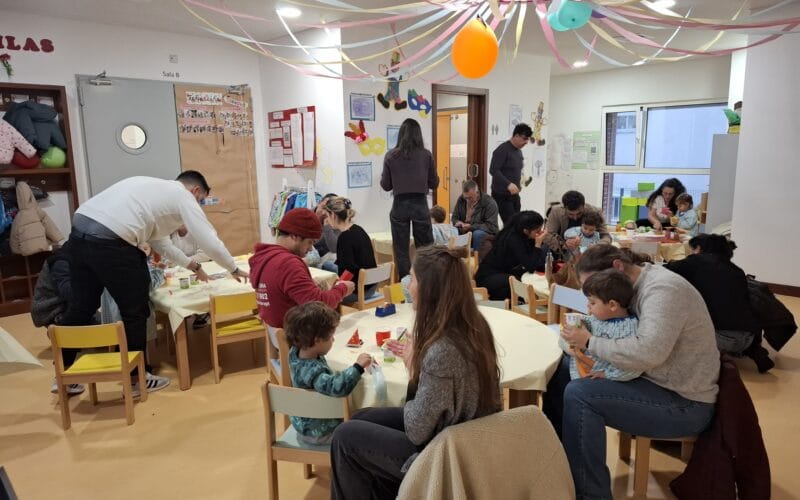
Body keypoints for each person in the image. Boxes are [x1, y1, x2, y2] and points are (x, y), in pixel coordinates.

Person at [543, 244, 719, 500]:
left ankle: (591, 494)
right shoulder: (624, 291)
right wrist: (574, 343)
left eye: (594, 288)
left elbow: (648, 353)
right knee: (561, 369)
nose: (591, 299)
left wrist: (589, 343)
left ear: (617, 267)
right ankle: (558, 460)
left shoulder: (662, 291)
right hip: (647, 378)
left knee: (580, 395)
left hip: (684, 401)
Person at [330, 246, 502, 499]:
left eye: (413, 278)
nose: (408, 286)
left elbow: (416, 430)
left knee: (345, 436)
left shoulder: (442, 349)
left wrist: (414, 368)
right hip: (464, 436)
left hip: (447, 455)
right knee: (362, 416)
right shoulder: (474, 323)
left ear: (429, 289)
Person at [61, 171, 249, 395]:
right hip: (112, 242)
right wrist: (234, 268)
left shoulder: (151, 191)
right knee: (136, 311)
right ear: (195, 191)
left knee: (83, 305)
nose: (198, 206)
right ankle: (136, 380)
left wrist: (194, 267)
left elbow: (163, 245)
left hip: (80, 231)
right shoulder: (183, 197)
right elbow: (209, 240)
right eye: (200, 202)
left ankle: (63, 374)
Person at [665, 234, 773, 372]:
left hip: (722, 337)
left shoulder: (697, 261)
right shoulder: (737, 270)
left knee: (676, 317)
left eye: (692, 250)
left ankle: (716, 356)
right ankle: (748, 350)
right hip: (749, 336)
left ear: (699, 248)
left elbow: (666, 269)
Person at [249, 208, 355, 328]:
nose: (310, 249)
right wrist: (342, 289)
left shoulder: (265, 257)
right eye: (310, 242)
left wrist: (310, 285)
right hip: (300, 337)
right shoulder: (288, 264)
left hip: (280, 334)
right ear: (294, 236)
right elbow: (319, 305)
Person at [284, 301, 372, 445]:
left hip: (303, 423)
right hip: (319, 432)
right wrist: (358, 367)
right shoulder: (313, 372)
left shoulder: (295, 352)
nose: (333, 339)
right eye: (331, 337)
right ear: (317, 341)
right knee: (365, 431)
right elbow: (338, 388)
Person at [380, 118, 439, 278]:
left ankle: (405, 287)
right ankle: (427, 282)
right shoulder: (426, 155)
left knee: (401, 250)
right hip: (420, 204)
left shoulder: (391, 156)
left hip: (399, 205)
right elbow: (434, 183)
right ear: (418, 135)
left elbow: (386, 185)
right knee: (425, 248)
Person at [558, 269, 640, 381]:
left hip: (599, 379)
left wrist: (607, 374)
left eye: (592, 303)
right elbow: (563, 338)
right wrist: (568, 343)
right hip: (579, 370)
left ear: (612, 305)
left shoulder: (629, 330)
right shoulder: (595, 319)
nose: (588, 306)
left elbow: (632, 367)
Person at [474, 211, 548, 300]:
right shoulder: (513, 239)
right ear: (525, 231)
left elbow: (537, 263)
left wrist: (538, 244)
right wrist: (538, 244)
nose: (540, 233)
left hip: (504, 272)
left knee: (529, 280)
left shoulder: (524, 236)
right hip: (488, 277)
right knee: (520, 283)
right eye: (537, 231)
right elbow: (531, 267)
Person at [325, 197, 377, 302]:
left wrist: (336, 289)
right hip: (372, 285)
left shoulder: (344, 238)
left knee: (324, 295)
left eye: (327, 216)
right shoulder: (359, 229)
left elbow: (348, 270)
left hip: (359, 290)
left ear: (333, 215)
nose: (326, 220)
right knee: (328, 265)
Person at [543, 191, 611, 259]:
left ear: (584, 206)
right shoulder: (556, 211)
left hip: (589, 251)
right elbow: (547, 235)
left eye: (579, 213)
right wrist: (563, 244)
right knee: (544, 250)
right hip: (562, 251)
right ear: (564, 208)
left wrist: (596, 246)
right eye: (570, 214)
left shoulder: (595, 212)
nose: (575, 218)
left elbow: (606, 236)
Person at [490, 123, 532, 225]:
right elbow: (493, 170)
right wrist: (508, 184)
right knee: (511, 225)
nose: (526, 142)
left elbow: (516, 170)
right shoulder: (502, 149)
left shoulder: (518, 152)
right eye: (524, 138)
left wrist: (521, 180)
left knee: (518, 223)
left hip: (514, 195)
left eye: (528, 139)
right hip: (501, 195)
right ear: (516, 136)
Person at [451, 180, 499, 251]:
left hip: (484, 232)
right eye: (466, 198)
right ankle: (455, 259)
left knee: (477, 234)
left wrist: (471, 227)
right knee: (451, 231)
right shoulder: (461, 199)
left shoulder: (489, 203)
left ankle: (476, 259)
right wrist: (457, 222)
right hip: (465, 230)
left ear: (477, 192)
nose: (467, 200)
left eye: (470, 198)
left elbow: (491, 226)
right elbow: (454, 217)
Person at [313, 192, 341, 273]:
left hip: (326, 258)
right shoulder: (306, 216)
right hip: (309, 256)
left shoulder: (334, 220)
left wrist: (327, 227)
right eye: (323, 207)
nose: (323, 212)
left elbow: (334, 248)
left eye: (328, 209)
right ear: (319, 203)